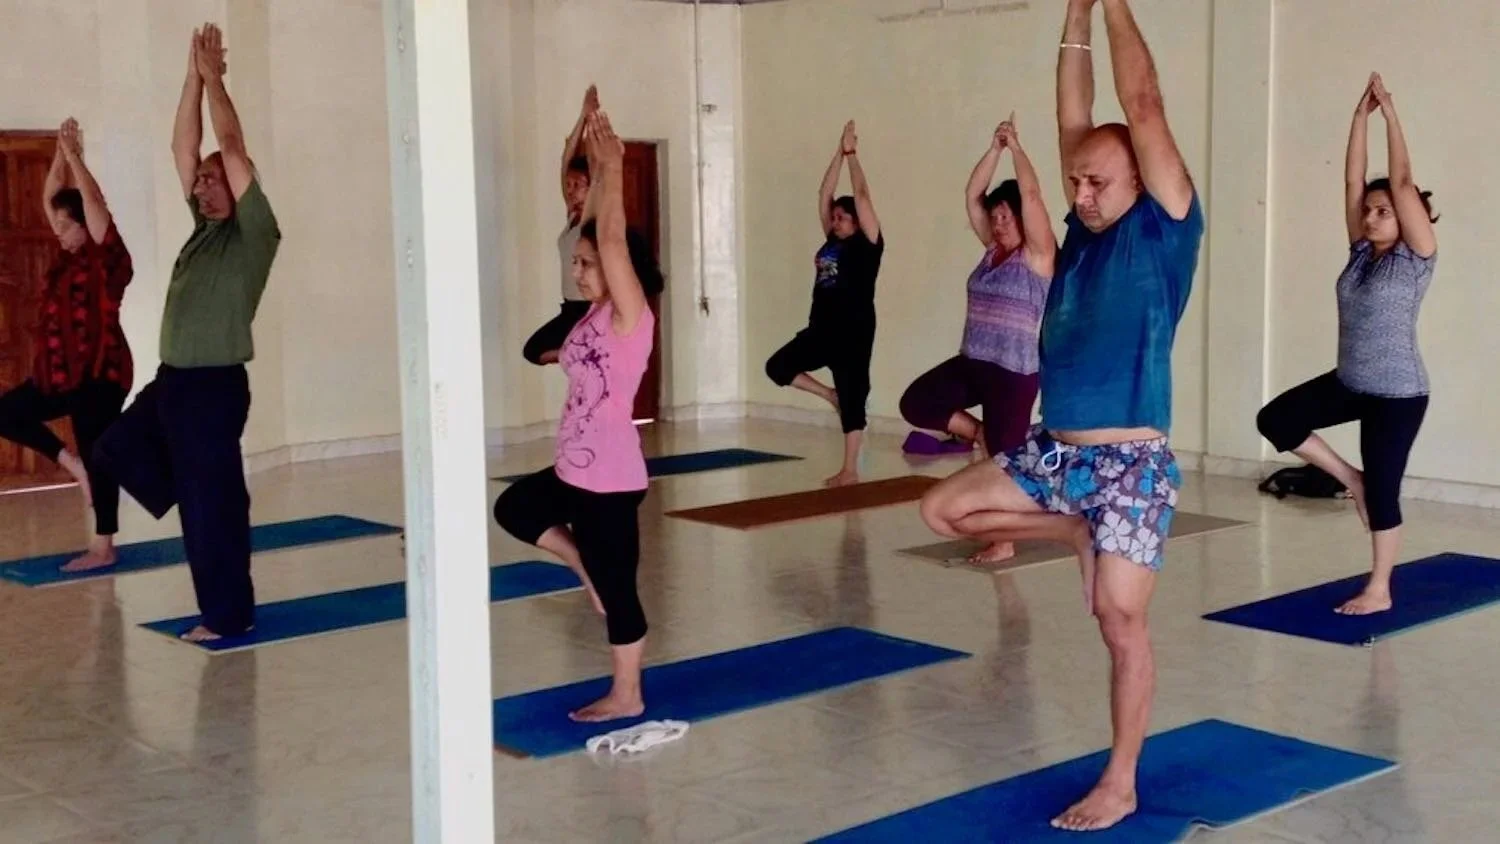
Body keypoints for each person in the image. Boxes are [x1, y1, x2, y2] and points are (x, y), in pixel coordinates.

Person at [918, 0, 1202, 831]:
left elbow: (1139, 102)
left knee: (1119, 618)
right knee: (941, 510)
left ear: (1141, 177)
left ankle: (1122, 780)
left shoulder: (1164, 225)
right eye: (1075, 180)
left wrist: (1110, 4)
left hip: (1131, 462)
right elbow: (1072, 110)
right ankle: (1075, 531)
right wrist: (1074, 12)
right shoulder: (1081, 226)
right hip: (1054, 455)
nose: (1081, 194)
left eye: (1096, 181)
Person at [94, 23, 281, 643]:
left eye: (210, 179)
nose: (199, 185)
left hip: (213, 387)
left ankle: (228, 614)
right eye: (197, 180)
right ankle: (203, 483)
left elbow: (229, 145)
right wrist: (190, 76)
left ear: (238, 185)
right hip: (173, 384)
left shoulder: (253, 235)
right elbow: (183, 144)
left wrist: (216, 81)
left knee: (209, 509)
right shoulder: (202, 233)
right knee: (115, 447)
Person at [493, 108, 665, 722]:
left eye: (586, 265)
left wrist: (613, 168)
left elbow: (611, 239)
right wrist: (592, 173)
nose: (578, 269)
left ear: (620, 272)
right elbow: (596, 231)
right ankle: (581, 562)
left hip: (609, 479)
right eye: (577, 262)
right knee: (515, 508)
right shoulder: (591, 315)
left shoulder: (629, 317)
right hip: (574, 468)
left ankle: (628, 693)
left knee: (619, 591)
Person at [1256, 72, 1437, 617]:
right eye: (1369, 210)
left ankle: (1379, 588)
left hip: (1397, 394)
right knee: (1276, 419)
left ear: (1408, 217)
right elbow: (1351, 179)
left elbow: (1401, 181)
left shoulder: (1415, 257)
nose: (1371, 216)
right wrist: (1359, 118)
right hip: (1350, 382)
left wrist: (1392, 115)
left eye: (1384, 211)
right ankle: (1348, 480)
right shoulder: (1360, 252)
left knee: (1384, 492)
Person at [900, 114, 1056, 564]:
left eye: (1007, 215)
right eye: (996, 215)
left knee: (1002, 465)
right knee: (917, 402)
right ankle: (978, 432)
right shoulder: (991, 250)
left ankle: (1004, 541)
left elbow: (1031, 195)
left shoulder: (1038, 257)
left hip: (1012, 373)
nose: (999, 221)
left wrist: (1017, 149)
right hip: (972, 362)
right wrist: (994, 149)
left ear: (1023, 219)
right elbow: (972, 195)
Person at [0, 118, 133, 572]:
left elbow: (94, 205)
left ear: (84, 225)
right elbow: (49, 195)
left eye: (64, 223)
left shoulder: (107, 260)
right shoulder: (66, 256)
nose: (56, 229)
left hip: (99, 372)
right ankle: (70, 465)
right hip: (59, 372)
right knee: (6, 412)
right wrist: (59, 152)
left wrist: (76, 159)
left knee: (99, 452)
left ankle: (104, 545)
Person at [765, 120, 885, 487]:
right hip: (821, 328)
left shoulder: (868, 245)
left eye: (842, 218)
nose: (835, 221)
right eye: (834, 218)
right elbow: (824, 193)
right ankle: (828, 394)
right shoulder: (831, 242)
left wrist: (853, 155)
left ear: (857, 222)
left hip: (853, 331)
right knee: (777, 366)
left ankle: (850, 470)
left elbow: (861, 195)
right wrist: (838, 152)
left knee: (854, 397)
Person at [524, 85, 600, 366]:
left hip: (589, 307)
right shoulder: (571, 215)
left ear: (592, 187)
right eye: (568, 185)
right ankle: (579, 355)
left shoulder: (593, 217)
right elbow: (566, 158)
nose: (571, 190)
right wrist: (582, 116)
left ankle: (587, 355)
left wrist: (593, 126)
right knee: (534, 351)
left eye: (578, 184)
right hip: (569, 308)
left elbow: (597, 169)